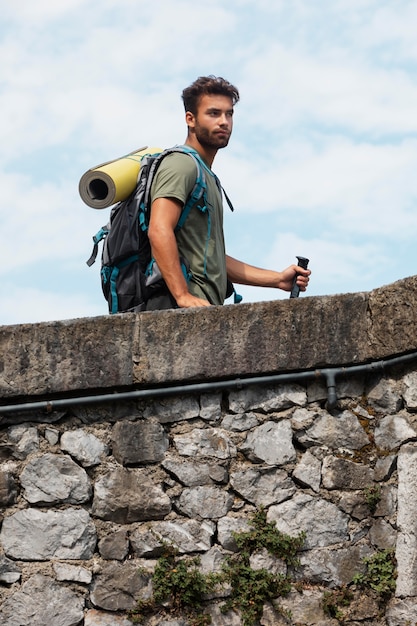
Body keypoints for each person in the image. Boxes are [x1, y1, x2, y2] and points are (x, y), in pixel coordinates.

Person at [147, 75, 310, 310]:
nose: (224, 121)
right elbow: (159, 229)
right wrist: (183, 296)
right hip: (174, 308)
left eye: (229, 114)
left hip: (201, 308)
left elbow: (211, 260)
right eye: (214, 113)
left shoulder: (206, 176)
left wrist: (277, 279)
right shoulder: (181, 164)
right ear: (190, 119)